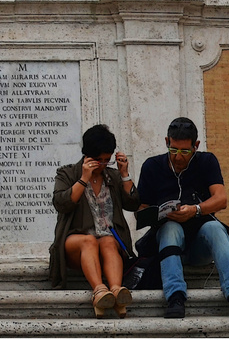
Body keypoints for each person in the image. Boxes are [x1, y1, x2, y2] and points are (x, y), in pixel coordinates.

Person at [136, 116, 229, 319]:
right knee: (171, 228)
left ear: (195, 146)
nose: (178, 157)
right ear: (166, 142)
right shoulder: (151, 166)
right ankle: (175, 297)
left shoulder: (207, 161)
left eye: (185, 151)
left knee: (214, 228)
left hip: (199, 247)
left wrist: (195, 210)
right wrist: (159, 214)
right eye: (173, 150)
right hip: (167, 243)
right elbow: (142, 208)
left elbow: (221, 199)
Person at [51, 124, 140, 317]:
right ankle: (99, 290)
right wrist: (83, 179)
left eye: (106, 160)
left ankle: (116, 291)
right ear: (87, 156)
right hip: (77, 242)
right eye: (97, 160)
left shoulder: (113, 176)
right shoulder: (67, 173)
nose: (102, 165)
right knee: (89, 241)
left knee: (108, 241)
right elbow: (61, 203)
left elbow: (133, 203)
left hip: (108, 241)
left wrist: (125, 175)